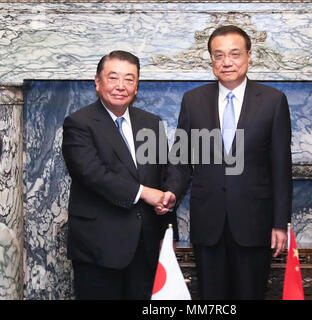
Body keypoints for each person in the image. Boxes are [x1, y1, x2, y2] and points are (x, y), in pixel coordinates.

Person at [160, 25, 293, 299]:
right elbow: (181, 157)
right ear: (211, 61)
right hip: (208, 223)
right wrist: (172, 191)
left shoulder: (273, 101)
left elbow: (281, 168)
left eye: (234, 54)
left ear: (248, 56)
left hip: (255, 223)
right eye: (218, 55)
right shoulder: (193, 100)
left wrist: (280, 223)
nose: (227, 62)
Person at [62, 50, 173, 299]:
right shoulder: (79, 123)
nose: (121, 86)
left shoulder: (151, 123)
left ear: (137, 86)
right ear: (97, 82)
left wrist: (169, 196)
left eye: (129, 79)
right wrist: (146, 193)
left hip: (145, 246)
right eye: (113, 78)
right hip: (98, 247)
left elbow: (164, 169)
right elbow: (92, 174)